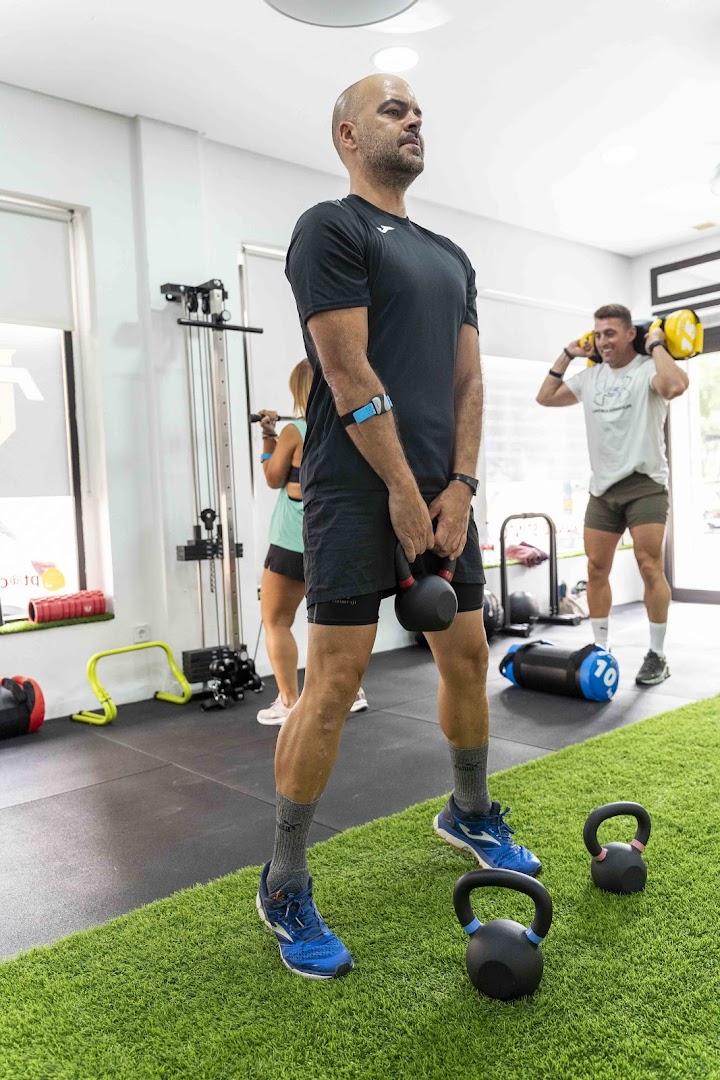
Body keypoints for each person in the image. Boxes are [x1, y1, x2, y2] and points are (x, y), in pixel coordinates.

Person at [255, 73, 540, 981]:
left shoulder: (451, 255)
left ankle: (470, 810)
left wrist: (460, 485)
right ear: (348, 135)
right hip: (351, 491)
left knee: (469, 653)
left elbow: (469, 383)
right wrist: (403, 492)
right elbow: (346, 372)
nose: (414, 118)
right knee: (335, 682)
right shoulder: (330, 228)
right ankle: (283, 880)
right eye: (392, 109)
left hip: (443, 494)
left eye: (418, 110)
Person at [536, 303, 689, 685]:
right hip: (602, 489)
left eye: (610, 333)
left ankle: (657, 655)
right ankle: (601, 648)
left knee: (649, 565)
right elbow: (545, 396)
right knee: (595, 568)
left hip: (645, 484)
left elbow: (674, 386)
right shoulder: (591, 378)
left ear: (630, 334)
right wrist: (569, 353)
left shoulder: (649, 369)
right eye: (598, 334)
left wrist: (657, 344)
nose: (603, 341)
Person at [256, 359, 368, 725]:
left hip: (292, 542)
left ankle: (289, 701)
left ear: (299, 390)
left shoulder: (295, 430)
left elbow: (273, 478)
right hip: (336, 541)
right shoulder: (350, 428)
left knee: (276, 620)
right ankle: (349, 692)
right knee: (336, 624)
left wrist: (268, 436)